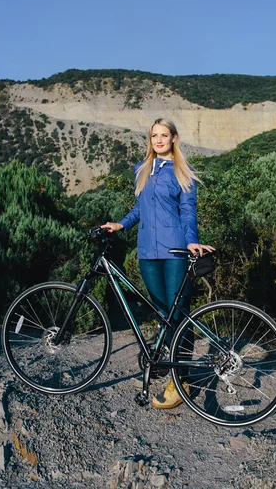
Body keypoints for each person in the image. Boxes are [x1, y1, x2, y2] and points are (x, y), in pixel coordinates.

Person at [102, 118, 214, 409]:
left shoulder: (181, 172)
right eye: (154, 135)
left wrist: (192, 241)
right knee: (163, 314)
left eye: (164, 135)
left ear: (174, 138)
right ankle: (166, 367)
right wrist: (121, 224)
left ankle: (182, 380)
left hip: (175, 249)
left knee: (178, 315)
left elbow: (188, 211)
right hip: (147, 253)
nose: (159, 140)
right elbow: (141, 207)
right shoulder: (143, 170)